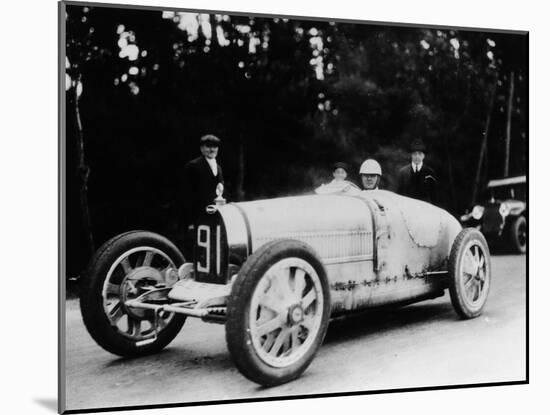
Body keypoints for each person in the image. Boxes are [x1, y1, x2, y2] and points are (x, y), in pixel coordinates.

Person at [181, 134, 224, 257]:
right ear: (201, 148)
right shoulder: (193, 166)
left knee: (211, 250)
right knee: (195, 250)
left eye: (215, 147)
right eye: (208, 146)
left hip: (214, 216)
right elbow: (186, 195)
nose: (212, 150)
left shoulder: (219, 168)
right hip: (196, 217)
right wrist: (190, 221)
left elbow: (219, 190)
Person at [396, 139, 437, 203]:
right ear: (411, 155)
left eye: (419, 154)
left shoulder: (430, 172)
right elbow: (399, 195)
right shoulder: (403, 172)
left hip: (425, 208)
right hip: (407, 207)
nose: (417, 156)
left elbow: (434, 196)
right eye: (414, 154)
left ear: (423, 156)